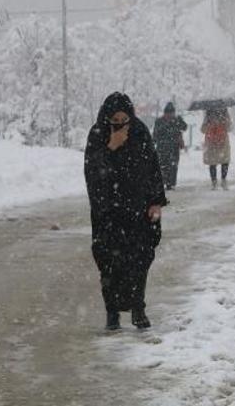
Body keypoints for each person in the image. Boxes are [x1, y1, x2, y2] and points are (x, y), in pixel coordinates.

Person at [84, 92, 168, 331]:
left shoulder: (140, 132)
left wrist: (155, 202)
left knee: (139, 260)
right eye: (115, 118)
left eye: (124, 117)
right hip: (108, 213)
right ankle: (112, 313)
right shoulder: (98, 134)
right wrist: (111, 147)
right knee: (109, 263)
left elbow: (152, 167)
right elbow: (92, 171)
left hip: (137, 211)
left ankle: (138, 309)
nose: (120, 122)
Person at [153, 102, 188, 190]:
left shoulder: (176, 120)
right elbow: (155, 134)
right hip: (162, 148)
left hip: (173, 148)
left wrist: (180, 120)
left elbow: (184, 127)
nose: (170, 115)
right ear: (165, 113)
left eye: (171, 113)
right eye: (168, 113)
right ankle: (163, 182)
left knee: (173, 166)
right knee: (163, 166)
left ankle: (170, 183)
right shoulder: (159, 121)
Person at [201, 107, 232, 190]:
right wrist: (223, 123)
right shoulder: (225, 114)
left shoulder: (208, 115)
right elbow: (229, 128)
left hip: (211, 143)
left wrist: (210, 126)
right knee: (224, 161)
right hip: (223, 142)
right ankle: (223, 180)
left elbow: (202, 130)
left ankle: (214, 182)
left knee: (212, 163)